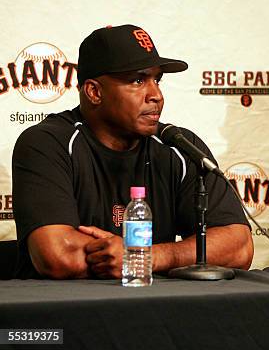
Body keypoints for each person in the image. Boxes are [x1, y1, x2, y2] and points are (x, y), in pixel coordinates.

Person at [12, 24, 253, 279]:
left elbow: (240, 248)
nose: (156, 95)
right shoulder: (48, 143)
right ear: (95, 92)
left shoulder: (177, 146)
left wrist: (144, 256)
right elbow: (58, 256)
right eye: (138, 80)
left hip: (152, 310)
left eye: (157, 80)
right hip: (64, 313)